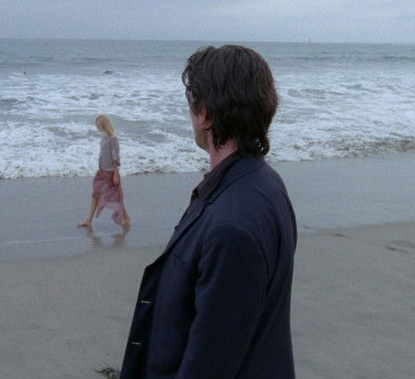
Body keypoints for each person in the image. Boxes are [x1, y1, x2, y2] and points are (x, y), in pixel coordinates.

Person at [120, 45, 297, 378]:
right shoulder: (263, 182)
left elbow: (209, 363)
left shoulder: (232, 225)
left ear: (205, 113)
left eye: (192, 103)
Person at [78, 115, 130, 227]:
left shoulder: (113, 138)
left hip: (110, 172)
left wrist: (115, 173)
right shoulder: (104, 137)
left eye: (99, 125)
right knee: (95, 194)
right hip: (102, 171)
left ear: (104, 125)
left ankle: (125, 217)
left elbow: (115, 157)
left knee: (116, 196)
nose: (97, 128)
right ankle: (88, 220)